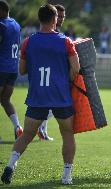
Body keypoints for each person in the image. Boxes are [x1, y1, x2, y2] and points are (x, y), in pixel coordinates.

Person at [1, 4, 80, 185]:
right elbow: (76, 69)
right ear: (55, 19)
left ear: (39, 19)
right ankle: (66, 175)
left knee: (27, 134)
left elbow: (21, 70)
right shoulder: (65, 41)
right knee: (67, 133)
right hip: (60, 96)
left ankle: (11, 165)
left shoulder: (28, 42)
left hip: (38, 95)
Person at [37, 4, 66, 141]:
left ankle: (42, 129)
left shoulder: (59, 35)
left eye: (63, 16)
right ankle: (39, 125)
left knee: (49, 106)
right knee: (55, 105)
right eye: (59, 16)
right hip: (48, 77)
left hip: (54, 76)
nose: (61, 19)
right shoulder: (46, 34)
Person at [0, 0, 23, 140]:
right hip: (13, 69)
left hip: (1, 67)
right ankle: (18, 127)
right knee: (5, 100)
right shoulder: (16, 24)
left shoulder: (1, 25)